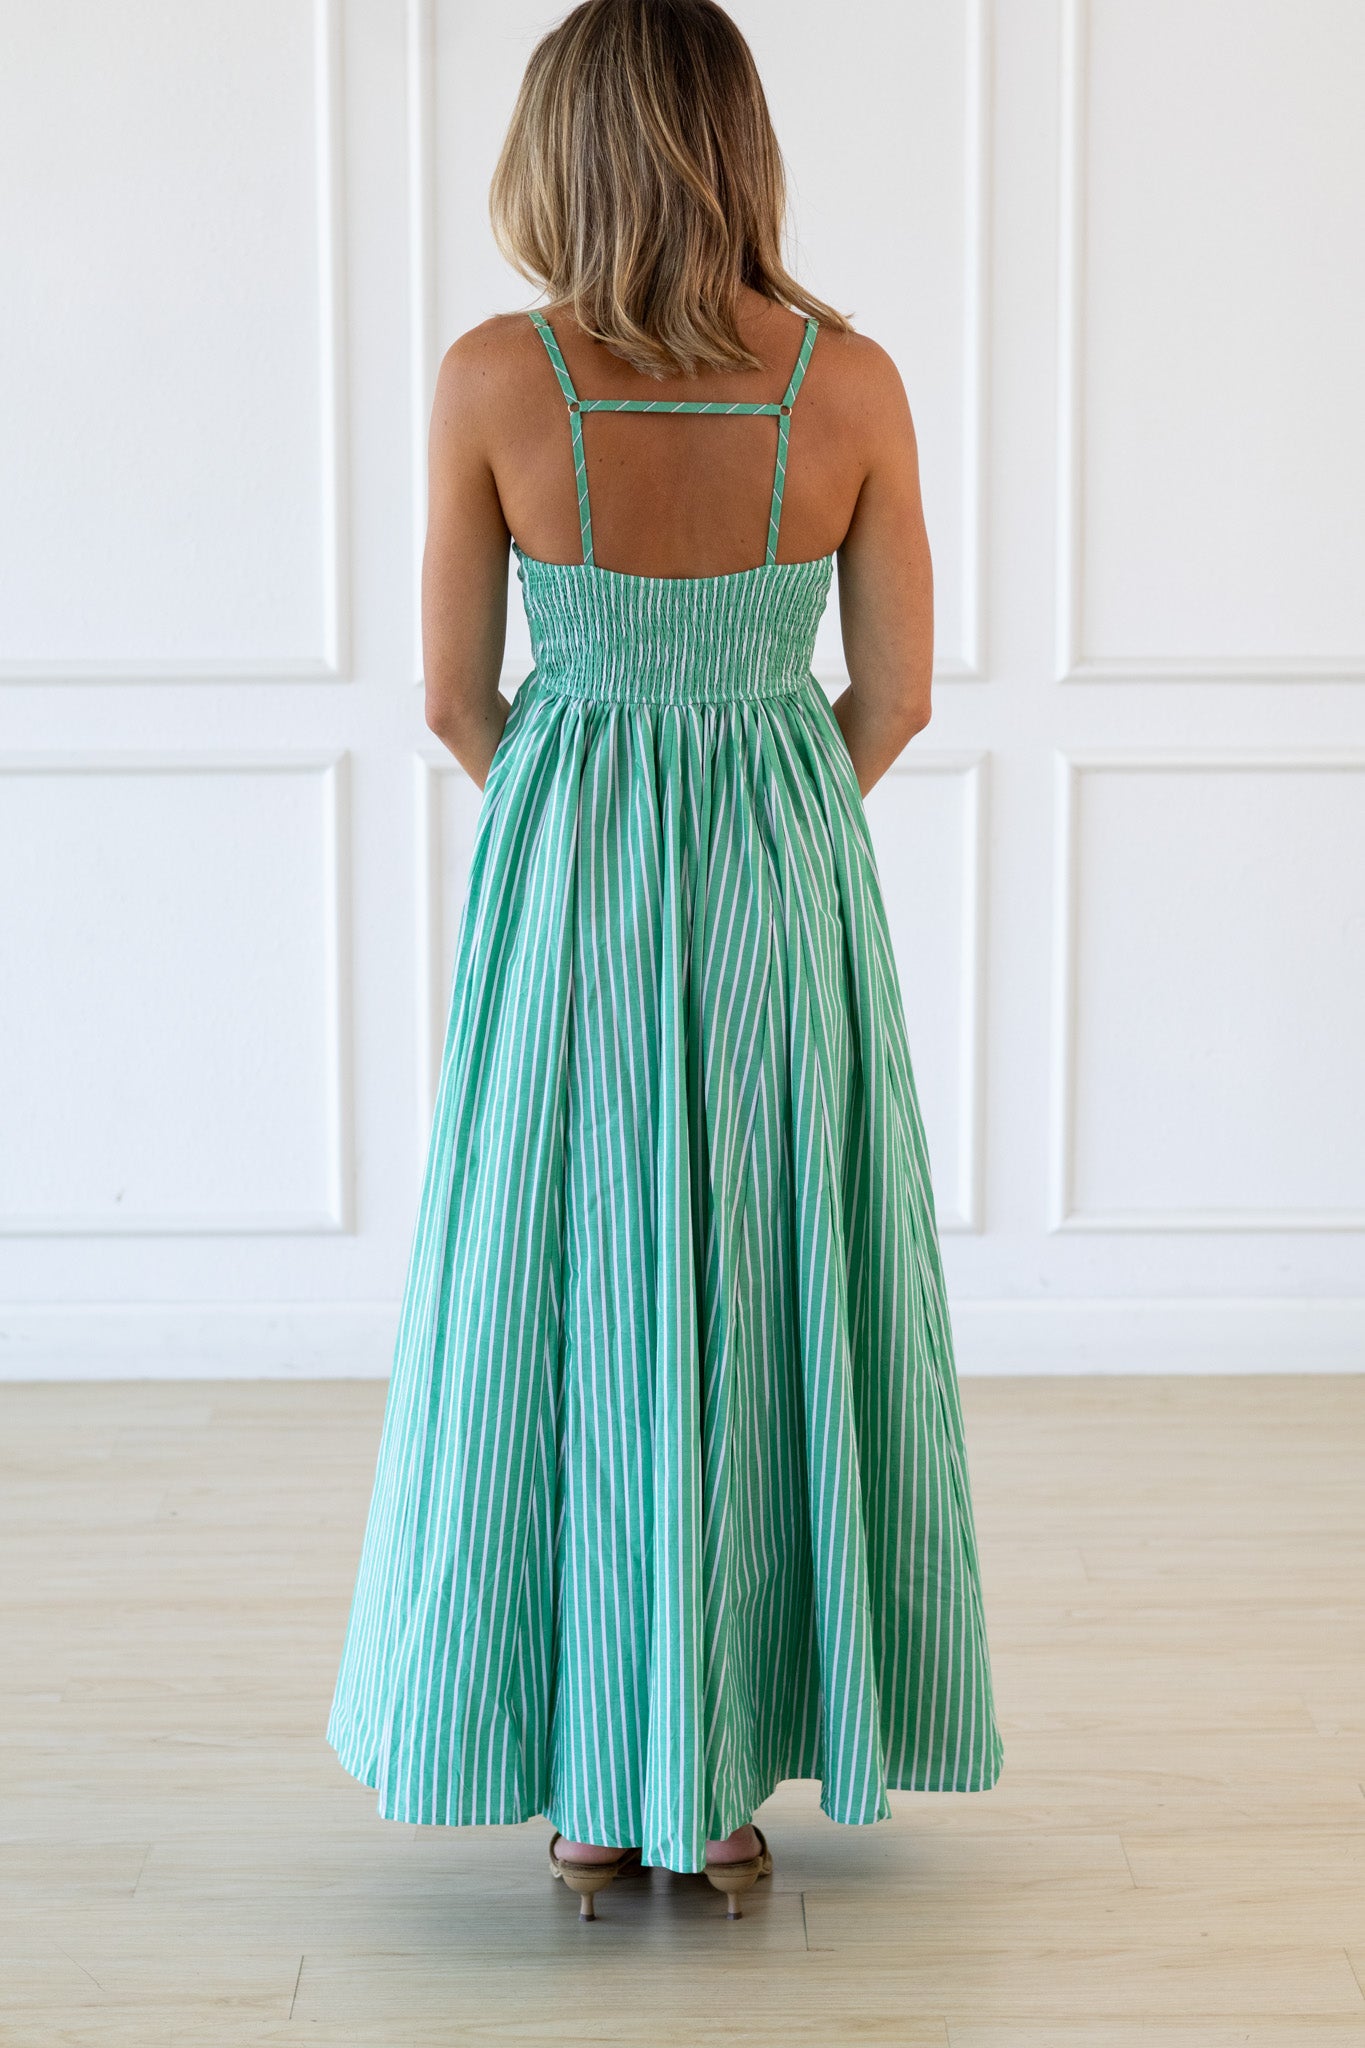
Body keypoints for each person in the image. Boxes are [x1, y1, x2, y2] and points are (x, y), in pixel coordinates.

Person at [327, 0, 1003, 1922]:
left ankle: (586, 1792)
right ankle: (718, 1793)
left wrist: (588, 806)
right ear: (740, 148)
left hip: (570, 889)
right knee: (768, 1276)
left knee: (571, 1284)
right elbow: (898, 692)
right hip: (785, 877)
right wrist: (769, 801)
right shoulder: (845, 382)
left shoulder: (494, 380)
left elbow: (458, 698)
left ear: (558, 153)